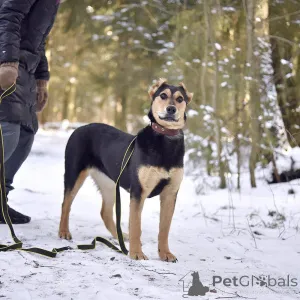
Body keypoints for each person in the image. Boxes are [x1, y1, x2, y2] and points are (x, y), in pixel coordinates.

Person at [0, 0, 60, 224]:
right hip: (8, 63)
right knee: (8, 131)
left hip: (26, 68)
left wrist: (42, 79)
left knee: (26, 134)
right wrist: (7, 61)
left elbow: (38, 40)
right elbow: (8, 16)